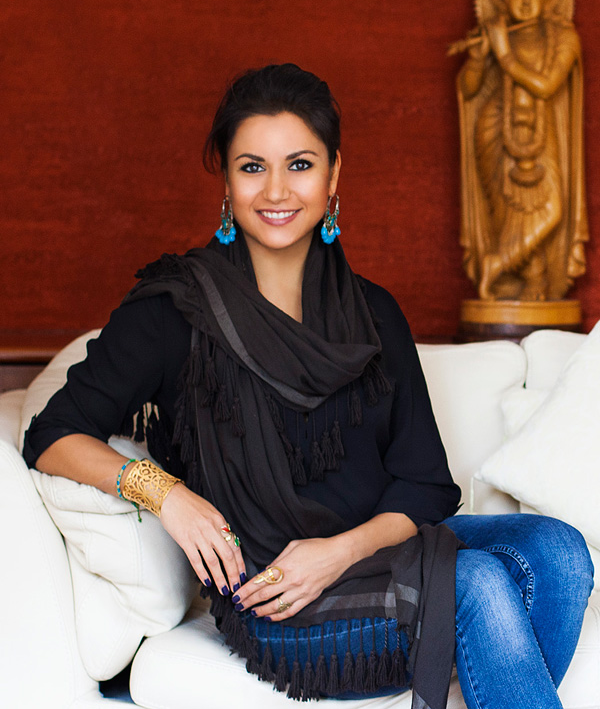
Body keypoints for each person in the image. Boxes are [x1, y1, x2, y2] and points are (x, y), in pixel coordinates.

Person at [24, 63, 592, 708]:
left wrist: (338, 552)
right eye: (252, 166)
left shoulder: (375, 314)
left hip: (366, 555)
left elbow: (425, 485)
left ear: (333, 174)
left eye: (299, 164)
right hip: (279, 598)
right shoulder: (175, 310)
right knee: (479, 585)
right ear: (226, 179)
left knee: (560, 550)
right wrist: (167, 495)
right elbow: (53, 434)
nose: (276, 190)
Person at [457, 0, 588, 301]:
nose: (526, 2)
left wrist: (504, 54)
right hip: (495, 129)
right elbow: (469, 90)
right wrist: (479, 59)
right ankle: (531, 279)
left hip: (542, 130)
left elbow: (547, 85)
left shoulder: (563, 37)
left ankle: (498, 264)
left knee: (551, 208)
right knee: (506, 210)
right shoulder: (497, 33)